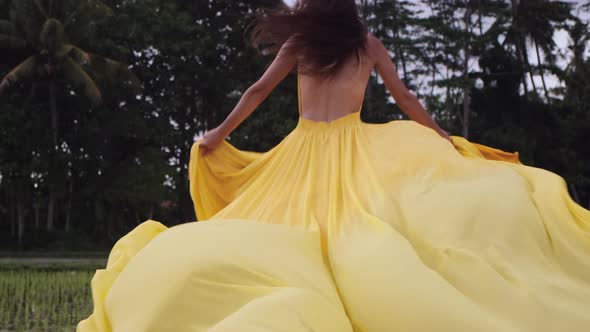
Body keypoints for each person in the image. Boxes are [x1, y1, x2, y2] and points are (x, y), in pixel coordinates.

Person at [78, 1, 590, 331]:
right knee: (372, 226)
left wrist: (217, 134)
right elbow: (405, 97)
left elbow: (258, 91)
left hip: (300, 153)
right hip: (353, 151)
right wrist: (441, 138)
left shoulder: (300, 44)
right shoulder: (367, 45)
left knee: (285, 230)